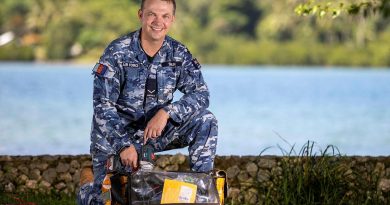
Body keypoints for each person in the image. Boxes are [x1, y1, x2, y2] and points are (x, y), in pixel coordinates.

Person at [77, 0, 218, 204]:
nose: (158, 21)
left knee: (206, 119)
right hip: (115, 140)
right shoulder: (117, 51)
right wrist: (123, 145)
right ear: (141, 15)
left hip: (153, 134)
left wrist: (167, 112)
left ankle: (203, 193)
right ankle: (87, 191)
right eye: (152, 14)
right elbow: (102, 107)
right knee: (111, 200)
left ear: (172, 19)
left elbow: (201, 94)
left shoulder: (179, 53)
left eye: (165, 16)